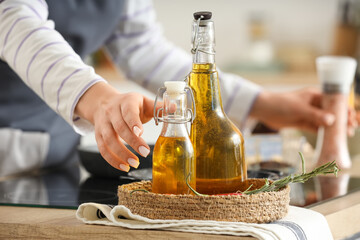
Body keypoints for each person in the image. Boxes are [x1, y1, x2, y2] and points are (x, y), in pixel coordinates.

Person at [0, 0, 356, 176]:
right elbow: (13, 18)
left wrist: (263, 103)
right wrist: (96, 98)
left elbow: (144, 50)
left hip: (56, 150)